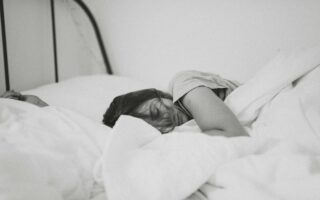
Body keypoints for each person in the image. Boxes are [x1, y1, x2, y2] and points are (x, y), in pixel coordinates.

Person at [103, 70, 248, 137]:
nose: (165, 121)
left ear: (154, 94)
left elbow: (234, 135)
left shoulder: (182, 84)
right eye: (154, 126)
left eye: (155, 112)